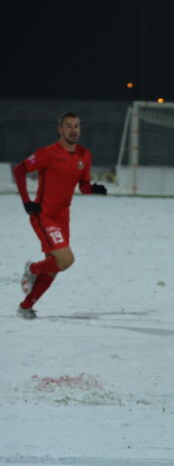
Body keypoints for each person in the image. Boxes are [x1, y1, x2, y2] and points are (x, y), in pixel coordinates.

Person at [13, 111, 107, 319]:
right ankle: (32, 268)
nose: (74, 130)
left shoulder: (84, 155)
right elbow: (19, 170)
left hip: (63, 217)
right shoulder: (47, 153)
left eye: (77, 126)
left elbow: (83, 186)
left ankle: (26, 307)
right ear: (60, 129)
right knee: (66, 260)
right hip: (44, 215)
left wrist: (94, 189)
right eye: (69, 126)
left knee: (54, 268)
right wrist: (27, 202)